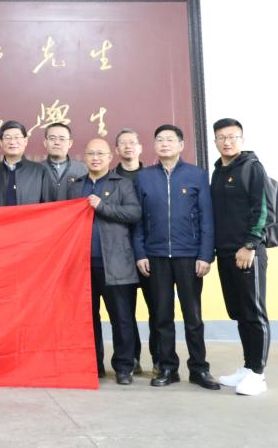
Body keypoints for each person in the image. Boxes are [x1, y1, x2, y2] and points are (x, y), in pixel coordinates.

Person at [133, 124, 220, 390]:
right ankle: (167, 368)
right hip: (156, 256)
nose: (165, 144)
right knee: (161, 317)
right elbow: (138, 220)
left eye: (170, 140)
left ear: (181, 145)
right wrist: (140, 252)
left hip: (189, 256)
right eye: (160, 139)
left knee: (193, 317)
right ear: (154, 146)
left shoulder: (196, 175)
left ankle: (199, 369)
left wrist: (205, 255)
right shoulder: (144, 177)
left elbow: (207, 218)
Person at [67, 138, 141, 385]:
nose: (95, 158)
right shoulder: (76, 186)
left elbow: (134, 213)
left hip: (116, 262)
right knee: (88, 318)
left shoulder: (123, 184)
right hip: (82, 264)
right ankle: (93, 365)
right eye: (91, 154)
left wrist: (102, 206)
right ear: (84, 158)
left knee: (121, 318)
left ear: (110, 157)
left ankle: (124, 367)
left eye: (100, 154)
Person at [210, 118, 271, 396]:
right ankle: (247, 368)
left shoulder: (252, 167)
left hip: (247, 251)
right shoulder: (218, 171)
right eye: (222, 137)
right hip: (225, 252)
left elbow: (262, 208)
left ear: (242, 140)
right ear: (215, 141)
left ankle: (258, 374)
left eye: (233, 137)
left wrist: (250, 244)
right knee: (239, 312)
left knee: (254, 312)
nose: (227, 142)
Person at [114, 128, 155, 375]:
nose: (128, 147)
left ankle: (160, 360)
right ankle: (132, 359)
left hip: (150, 252)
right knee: (124, 312)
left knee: (157, 308)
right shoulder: (110, 179)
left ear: (140, 148)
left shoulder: (151, 177)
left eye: (132, 142)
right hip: (119, 254)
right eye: (123, 143)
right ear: (116, 150)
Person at [0, 121, 52, 206]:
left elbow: (48, 206)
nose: (12, 142)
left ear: (25, 141)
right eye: (8, 138)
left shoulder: (40, 171)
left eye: (17, 137)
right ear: (1, 142)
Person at [41, 122, 88, 201]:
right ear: (45, 143)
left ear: (70, 143)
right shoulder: (36, 170)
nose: (57, 142)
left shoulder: (82, 169)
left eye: (62, 139)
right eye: (52, 138)